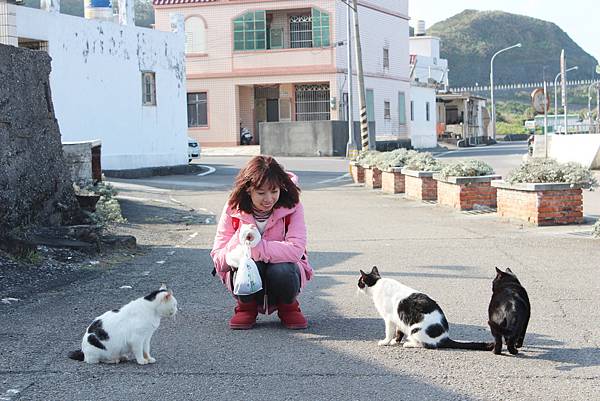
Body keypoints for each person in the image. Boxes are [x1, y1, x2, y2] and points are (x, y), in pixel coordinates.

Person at [210, 156, 313, 330]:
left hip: (285, 275)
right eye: (261, 193)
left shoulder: (293, 207)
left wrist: (255, 247)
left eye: (274, 191)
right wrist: (239, 252)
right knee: (247, 262)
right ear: (248, 189)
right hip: (247, 277)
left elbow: (296, 250)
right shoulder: (233, 208)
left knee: (282, 269)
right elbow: (219, 257)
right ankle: (246, 308)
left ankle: (288, 306)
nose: (268, 199)